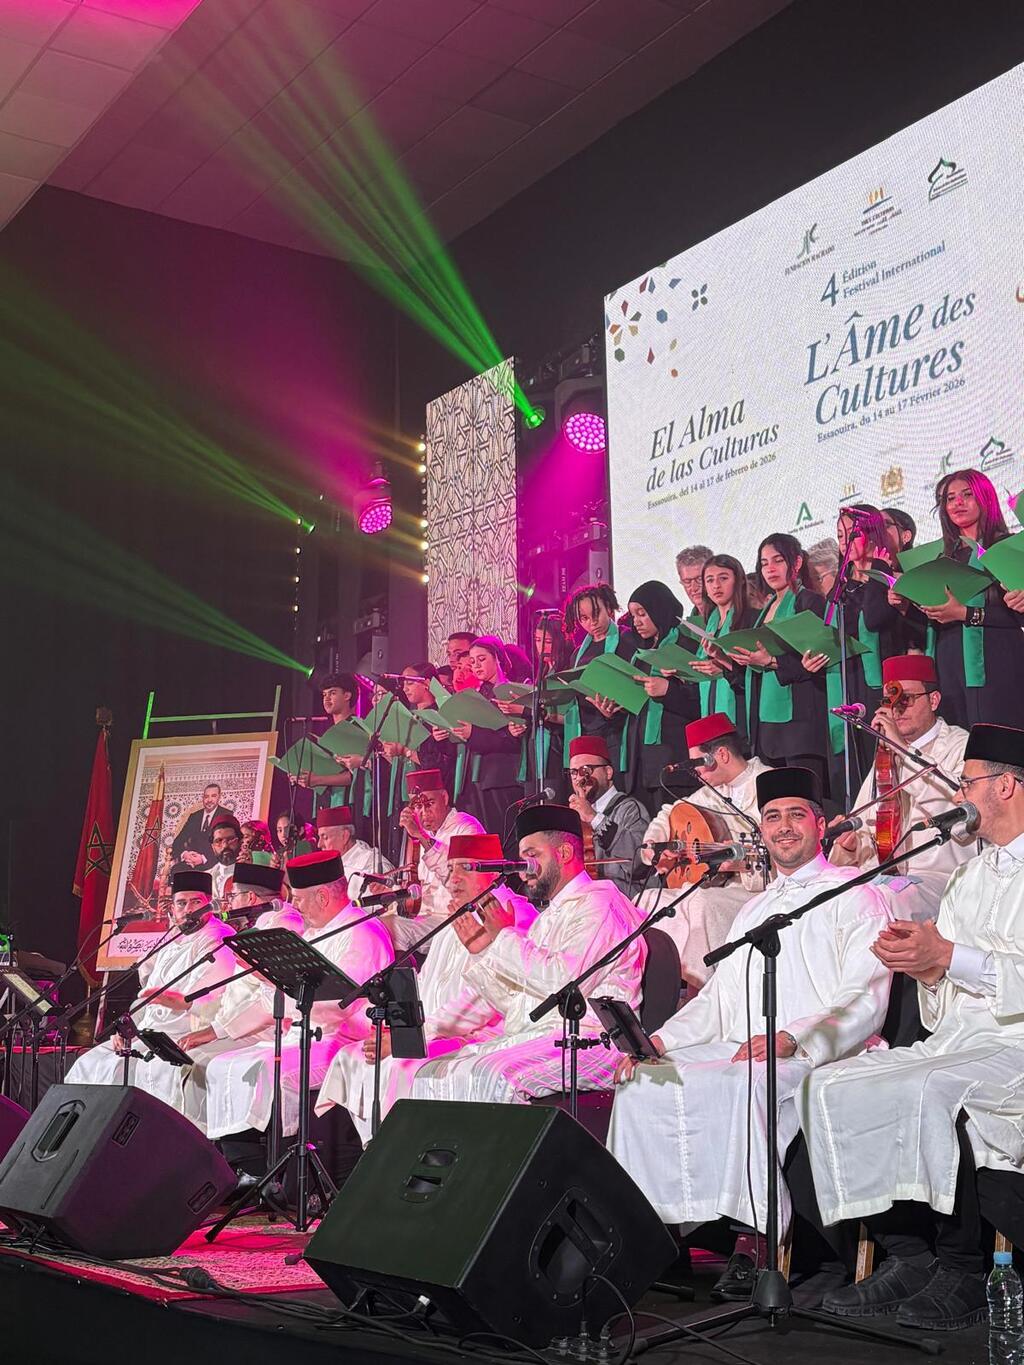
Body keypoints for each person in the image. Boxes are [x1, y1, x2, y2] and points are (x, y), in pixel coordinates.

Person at [609, 767, 891, 1302]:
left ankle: (754, 1242)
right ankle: (653, 1236)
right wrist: (661, 1044)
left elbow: (865, 996)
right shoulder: (753, 910)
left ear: (822, 824)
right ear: (760, 829)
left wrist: (792, 1037)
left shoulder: (856, 896)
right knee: (643, 1084)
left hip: (822, 1051)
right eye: (772, 817)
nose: (783, 827)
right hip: (747, 1044)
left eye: (795, 815)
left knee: (744, 1084)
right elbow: (717, 1002)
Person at [802, 722, 1024, 1331]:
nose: (961, 795)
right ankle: (909, 1255)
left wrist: (950, 957)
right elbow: (943, 1001)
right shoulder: (970, 876)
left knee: (929, 1089)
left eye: (968, 782)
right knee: (832, 1085)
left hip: (1015, 1043)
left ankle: (965, 1271)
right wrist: (924, 967)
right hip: (963, 1038)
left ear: (1006, 785)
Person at [411, 805, 646, 1105]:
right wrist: (485, 952)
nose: (524, 867)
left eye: (533, 856)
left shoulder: (599, 905)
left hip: (590, 1041)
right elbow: (518, 1003)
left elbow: (564, 986)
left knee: (490, 1075)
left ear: (563, 854)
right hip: (540, 1036)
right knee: (432, 1073)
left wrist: (503, 938)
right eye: (522, 858)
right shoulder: (549, 916)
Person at [315, 833, 536, 1141]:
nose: (453, 879)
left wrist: (414, 1038)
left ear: (494, 872)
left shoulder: (512, 915)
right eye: (450, 869)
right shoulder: (460, 912)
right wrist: (401, 1028)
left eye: (465, 868)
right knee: (352, 1057)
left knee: (400, 1065)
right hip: (436, 1028)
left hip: (478, 1035)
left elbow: (483, 1000)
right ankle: (365, 1160)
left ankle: (401, 1156)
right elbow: (427, 983)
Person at [200, 850, 394, 1153]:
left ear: (323, 896)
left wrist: (278, 983)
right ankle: (242, 1164)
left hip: (342, 1040)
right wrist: (219, 1030)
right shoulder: (318, 932)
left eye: (299, 899)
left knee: (264, 1070)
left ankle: (280, 1162)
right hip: (303, 1034)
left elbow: (340, 1006)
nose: (294, 906)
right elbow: (276, 1000)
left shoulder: (362, 932)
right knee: (223, 1064)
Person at [65, 870, 237, 1111]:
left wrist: (173, 1001)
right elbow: (145, 998)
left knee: (139, 1072)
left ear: (209, 904)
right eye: (181, 903)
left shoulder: (218, 937)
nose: (188, 910)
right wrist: (126, 1030)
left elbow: (207, 999)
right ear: (172, 908)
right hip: (148, 1033)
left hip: (183, 1035)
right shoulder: (171, 940)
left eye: (196, 902)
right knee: (90, 1063)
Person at [828, 654, 974, 922]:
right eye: (889, 700)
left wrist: (904, 750)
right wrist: (851, 846)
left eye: (905, 699)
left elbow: (958, 809)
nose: (896, 709)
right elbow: (869, 828)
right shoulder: (884, 757)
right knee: (829, 897)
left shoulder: (961, 746)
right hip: (888, 877)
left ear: (933, 700)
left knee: (880, 904)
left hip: (943, 876)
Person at [175, 863, 303, 1151]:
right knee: (185, 1055)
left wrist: (216, 1030)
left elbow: (271, 994)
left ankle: (207, 1151)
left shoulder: (284, 924)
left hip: (268, 1029)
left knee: (197, 1059)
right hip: (239, 1023)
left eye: (233, 896)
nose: (230, 903)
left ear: (250, 899)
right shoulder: (264, 923)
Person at [639, 713, 772, 987]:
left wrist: (742, 861)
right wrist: (655, 845)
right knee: (648, 900)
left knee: (700, 902)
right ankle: (658, 991)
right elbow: (668, 813)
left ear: (720, 755)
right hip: (715, 886)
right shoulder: (710, 792)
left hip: (755, 888)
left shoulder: (769, 782)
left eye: (698, 763)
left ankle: (701, 992)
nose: (696, 773)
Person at [899, 468, 1024, 729]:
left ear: (984, 498)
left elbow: (1015, 616)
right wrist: (906, 606)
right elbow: (928, 624)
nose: (957, 503)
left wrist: (966, 614)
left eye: (967, 495)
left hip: (997, 666)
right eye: (950, 498)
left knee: (998, 751)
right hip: (948, 667)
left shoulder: (1007, 546)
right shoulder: (942, 558)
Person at [729, 532, 832, 798]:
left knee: (806, 802)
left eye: (777, 560)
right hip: (768, 725)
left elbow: (818, 658)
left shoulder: (809, 601)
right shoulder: (767, 608)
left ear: (796, 563)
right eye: (764, 563)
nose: (770, 569)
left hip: (800, 722)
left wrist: (773, 661)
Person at [437, 635, 524, 834]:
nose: (476, 666)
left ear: (498, 658)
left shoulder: (512, 693)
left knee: (500, 838)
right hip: (470, 781)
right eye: (472, 661)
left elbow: (512, 740)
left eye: (482, 659)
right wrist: (443, 736)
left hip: (500, 779)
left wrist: (474, 733)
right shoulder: (474, 694)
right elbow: (461, 743)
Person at [389, 768, 484, 951]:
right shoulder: (416, 839)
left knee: (393, 928)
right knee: (378, 927)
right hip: (423, 919)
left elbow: (459, 882)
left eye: (430, 803)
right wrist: (391, 891)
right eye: (418, 807)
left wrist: (421, 836)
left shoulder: (466, 827)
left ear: (445, 798)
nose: (424, 813)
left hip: (456, 918)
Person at [625, 579, 698, 812]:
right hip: (646, 759)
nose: (636, 622)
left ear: (659, 610)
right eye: (633, 616)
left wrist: (668, 690)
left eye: (642, 614)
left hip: (676, 755)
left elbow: (699, 702)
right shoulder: (641, 653)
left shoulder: (687, 643)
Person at [561, 583, 639, 774]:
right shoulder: (578, 653)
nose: (592, 623)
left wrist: (613, 710)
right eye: (584, 618)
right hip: (587, 731)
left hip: (618, 731)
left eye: (596, 614)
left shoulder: (627, 640)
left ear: (609, 608)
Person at [566, 735, 649, 897]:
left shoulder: (630, 809)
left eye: (586, 770)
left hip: (627, 906)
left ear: (608, 772)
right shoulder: (574, 817)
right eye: (573, 772)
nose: (579, 779)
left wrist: (593, 818)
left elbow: (639, 862)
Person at [689, 553, 758, 735]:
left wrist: (723, 664)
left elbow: (754, 677)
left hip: (741, 715)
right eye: (710, 580)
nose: (716, 586)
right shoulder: (709, 624)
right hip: (710, 716)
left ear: (739, 580)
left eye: (723, 578)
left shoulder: (750, 619)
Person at [315, 805, 393, 905]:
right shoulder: (326, 865)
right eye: (319, 837)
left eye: (325, 837)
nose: (319, 844)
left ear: (345, 836)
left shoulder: (370, 863)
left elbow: (387, 903)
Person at [170, 783, 231, 868]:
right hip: (190, 863)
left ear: (219, 797)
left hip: (213, 863)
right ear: (203, 798)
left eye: (213, 796)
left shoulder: (226, 815)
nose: (209, 800)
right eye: (206, 797)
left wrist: (203, 858)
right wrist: (185, 854)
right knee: (176, 870)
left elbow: (227, 845)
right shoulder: (194, 816)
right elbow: (178, 841)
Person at [208, 814, 241, 906]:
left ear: (240, 842)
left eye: (230, 839)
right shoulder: (205, 877)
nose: (225, 845)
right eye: (219, 841)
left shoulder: (252, 876)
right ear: (213, 847)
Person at [675, 545, 714, 621]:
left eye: (699, 579)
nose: (694, 588)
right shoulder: (685, 628)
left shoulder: (734, 617)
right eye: (687, 581)